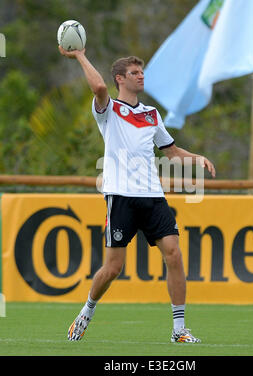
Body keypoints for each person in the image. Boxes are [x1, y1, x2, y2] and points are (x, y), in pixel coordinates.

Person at [58, 46, 216, 343]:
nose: (141, 76)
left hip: (153, 196)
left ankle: (179, 330)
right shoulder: (108, 110)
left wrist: (198, 159)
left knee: (174, 254)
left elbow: (171, 152)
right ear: (120, 79)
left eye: (142, 72)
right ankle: (86, 311)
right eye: (134, 73)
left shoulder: (151, 114)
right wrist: (79, 54)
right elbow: (98, 87)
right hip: (120, 196)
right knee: (114, 267)